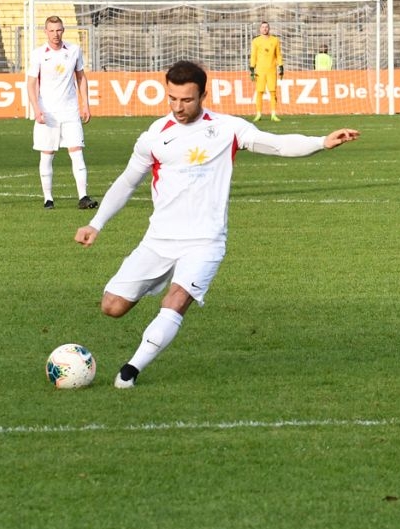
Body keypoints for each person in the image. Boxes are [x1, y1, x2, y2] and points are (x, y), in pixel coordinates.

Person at [74, 60, 358, 388]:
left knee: (176, 299)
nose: (179, 107)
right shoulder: (153, 136)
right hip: (159, 239)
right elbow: (127, 182)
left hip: (205, 240)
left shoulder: (228, 129)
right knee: (112, 306)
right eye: (172, 98)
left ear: (203, 95)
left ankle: (130, 371)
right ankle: (148, 311)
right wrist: (96, 223)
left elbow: (277, 144)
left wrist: (321, 141)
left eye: (187, 99)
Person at [28, 15, 94, 210]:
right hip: (48, 112)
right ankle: (48, 198)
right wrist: (36, 109)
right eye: (51, 30)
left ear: (63, 30)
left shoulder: (74, 50)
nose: (55, 34)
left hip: (70, 111)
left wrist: (85, 104)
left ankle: (83, 197)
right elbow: (31, 83)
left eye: (59, 30)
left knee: (77, 152)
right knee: (47, 155)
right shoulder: (38, 54)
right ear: (45, 32)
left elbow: (81, 77)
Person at [249, 22, 283, 122]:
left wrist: (281, 66)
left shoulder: (275, 40)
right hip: (260, 70)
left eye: (266, 27)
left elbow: (278, 54)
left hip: (271, 69)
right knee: (259, 92)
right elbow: (253, 55)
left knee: (273, 92)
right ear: (260, 29)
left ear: (269, 28)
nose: (265, 29)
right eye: (263, 27)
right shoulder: (256, 41)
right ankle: (258, 114)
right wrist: (252, 68)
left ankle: (273, 114)